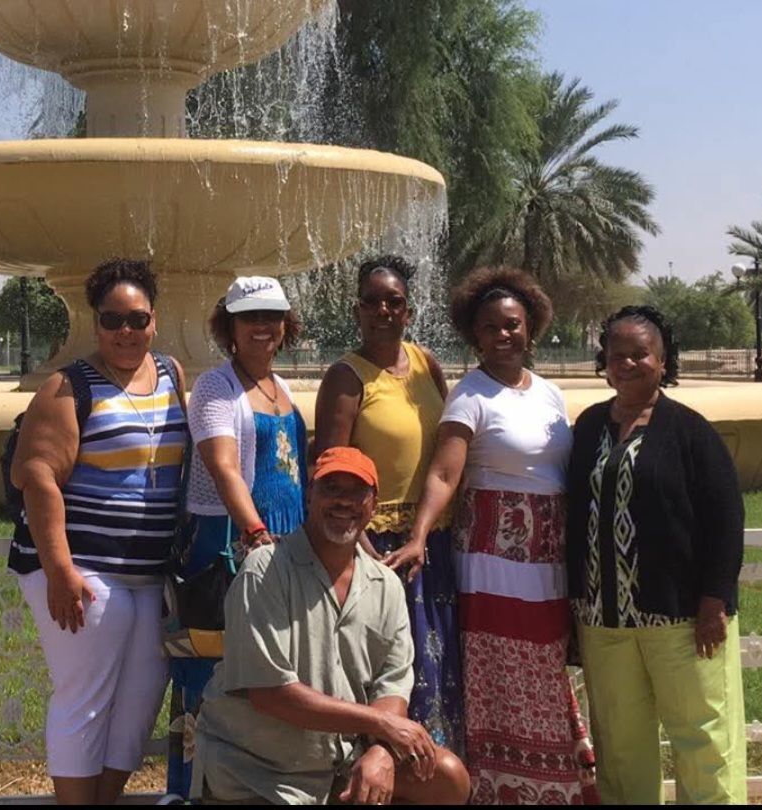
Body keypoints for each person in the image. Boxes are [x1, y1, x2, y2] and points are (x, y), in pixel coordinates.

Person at [408, 266, 597, 804]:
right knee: (500, 672)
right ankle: (499, 787)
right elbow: (445, 474)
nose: (504, 335)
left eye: (512, 324)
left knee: (544, 666)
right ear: (476, 335)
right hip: (495, 559)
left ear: (530, 327)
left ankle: (551, 780)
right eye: (490, 327)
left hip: (548, 557)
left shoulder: (551, 394)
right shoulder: (471, 396)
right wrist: (421, 533)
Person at [191, 446, 470, 805]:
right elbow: (271, 693)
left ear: (373, 504)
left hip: (339, 766)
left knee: (447, 777)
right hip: (259, 774)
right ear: (309, 494)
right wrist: (380, 725)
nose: (344, 502)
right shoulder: (265, 570)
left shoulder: (386, 586)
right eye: (332, 489)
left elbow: (393, 687)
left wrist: (382, 751)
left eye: (357, 492)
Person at [8, 258, 188, 805]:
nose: (125, 332)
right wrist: (60, 569)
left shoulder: (173, 373)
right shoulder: (69, 387)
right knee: (84, 699)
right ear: (96, 325)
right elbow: (36, 477)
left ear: (155, 319)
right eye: (113, 321)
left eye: (137, 319)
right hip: (81, 570)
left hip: (147, 574)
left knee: (138, 704)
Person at [565, 305, 746, 804]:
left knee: (703, 738)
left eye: (640, 354)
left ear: (663, 361)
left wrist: (715, 598)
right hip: (604, 621)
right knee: (620, 747)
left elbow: (726, 518)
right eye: (616, 354)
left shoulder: (689, 430)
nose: (627, 363)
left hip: (681, 618)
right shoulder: (589, 427)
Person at [313, 255, 463, 753]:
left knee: (437, 661)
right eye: (372, 302)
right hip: (377, 547)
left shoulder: (426, 364)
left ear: (409, 311)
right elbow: (331, 471)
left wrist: (426, 534)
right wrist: (357, 545)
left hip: (431, 541)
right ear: (357, 311)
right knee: (388, 666)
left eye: (393, 302)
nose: (383, 310)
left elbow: (446, 448)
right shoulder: (347, 376)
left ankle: (437, 771)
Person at [167, 275, 309, 797]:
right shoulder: (214, 386)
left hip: (284, 547)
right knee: (211, 677)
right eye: (250, 317)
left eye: (272, 316)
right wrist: (256, 532)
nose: (262, 327)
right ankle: (194, 790)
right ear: (229, 325)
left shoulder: (280, 387)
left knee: (272, 678)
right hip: (228, 549)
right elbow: (224, 466)